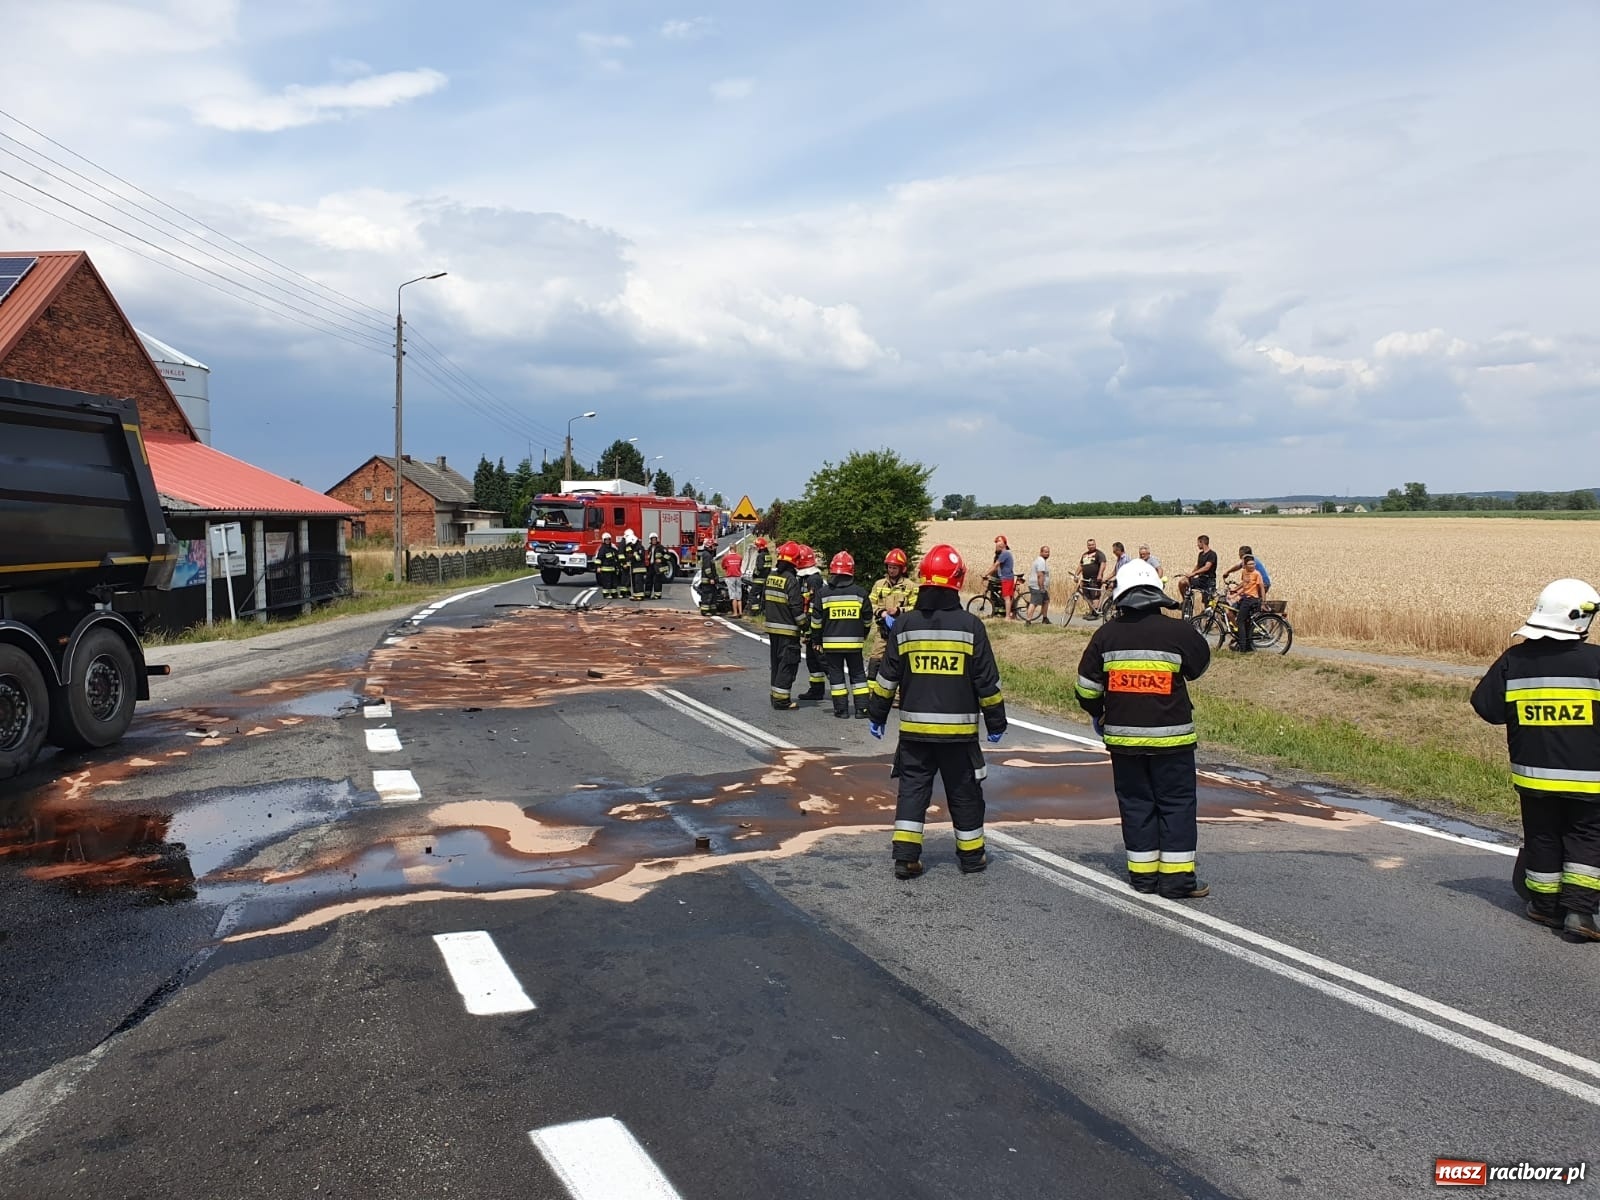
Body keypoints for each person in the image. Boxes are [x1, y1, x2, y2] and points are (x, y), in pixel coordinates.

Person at [865, 544, 1007, 878]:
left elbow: (887, 678)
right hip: (959, 736)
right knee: (965, 794)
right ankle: (972, 859)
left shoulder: (905, 625)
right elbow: (987, 682)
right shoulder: (972, 627)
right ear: (958, 580)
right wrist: (996, 722)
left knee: (913, 792)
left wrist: (876, 715)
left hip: (915, 734)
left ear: (924, 580)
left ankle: (905, 858)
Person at [1472, 579, 1600, 942]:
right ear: (1579, 620)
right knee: (1586, 837)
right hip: (1591, 777)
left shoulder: (1515, 660)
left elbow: (1486, 707)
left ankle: (1544, 907)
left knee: (1542, 834)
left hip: (1533, 776)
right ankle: (1580, 912)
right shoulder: (1597, 661)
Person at [1076, 560, 1213, 898]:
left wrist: (1100, 713)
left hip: (1123, 740)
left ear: (1121, 596)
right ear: (1157, 594)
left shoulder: (1105, 635)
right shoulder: (1179, 632)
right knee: (1176, 803)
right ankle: (1177, 881)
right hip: (1173, 740)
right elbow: (1199, 665)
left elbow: (1085, 688)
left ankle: (1143, 878)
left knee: (1136, 803)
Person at [818, 552, 872, 718]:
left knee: (836, 676)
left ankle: (841, 710)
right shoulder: (860, 593)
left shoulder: (824, 593)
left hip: (831, 645)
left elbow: (816, 621)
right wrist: (862, 634)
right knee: (858, 675)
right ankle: (862, 709)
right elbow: (868, 618)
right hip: (854, 644)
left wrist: (816, 639)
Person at [764, 541, 806, 709]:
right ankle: (782, 700)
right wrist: (806, 626)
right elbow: (796, 608)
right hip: (788, 631)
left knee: (777, 663)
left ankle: (775, 695)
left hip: (773, 628)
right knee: (787, 664)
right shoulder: (791, 580)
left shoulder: (772, 577)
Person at [795, 545, 828, 699]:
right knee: (812, 660)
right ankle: (816, 690)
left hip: (818, 627)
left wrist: (811, 632)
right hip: (811, 626)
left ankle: (838, 689)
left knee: (823, 659)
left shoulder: (814, 579)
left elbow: (814, 607)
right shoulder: (805, 578)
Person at [869, 548, 916, 640]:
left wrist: (899, 611)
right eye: (890, 567)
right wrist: (881, 612)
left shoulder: (910, 586)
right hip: (882, 632)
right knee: (876, 655)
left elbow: (916, 608)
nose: (891, 570)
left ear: (903, 569)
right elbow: (870, 603)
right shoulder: (879, 584)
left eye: (895, 568)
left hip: (903, 631)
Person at [1231, 554, 1266, 652]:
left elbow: (1262, 588)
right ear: (1245, 565)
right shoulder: (1244, 572)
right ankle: (1248, 646)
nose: (1252, 566)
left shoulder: (1257, 574)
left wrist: (1263, 602)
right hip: (1244, 597)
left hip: (1251, 599)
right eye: (1249, 564)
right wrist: (1235, 590)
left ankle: (1242, 647)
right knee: (1244, 620)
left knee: (1240, 621)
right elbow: (1244, 584)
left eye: (1253, 564)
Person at [1177, 535, 1218, 608]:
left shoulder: (1212, 554)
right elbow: (1198, 566)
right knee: (1182, 582)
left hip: (1209, 581)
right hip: (1200, 579)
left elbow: (1207, 567)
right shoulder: (1201, 554)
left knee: (1208, 604)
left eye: (1198, 543)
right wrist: (1190, 574)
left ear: (1202, 542)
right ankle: (1185, 603)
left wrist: (1194, 574)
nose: (1197, 545)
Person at [984, 535, 1018, 619]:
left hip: (1006, 578)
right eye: (996, 542)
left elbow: (995, 565)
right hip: (1006, 577)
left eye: (999, 542)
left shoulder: (1004, 553)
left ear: (1004, 544)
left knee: (1007, 598)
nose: (997, 544)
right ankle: (1008, 614)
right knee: (1007, 597)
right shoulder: (1005, 553)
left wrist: (986, 574)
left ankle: (1007, 617)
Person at [1078, 538, 1108, 618]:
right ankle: (1092, 611)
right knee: (1087, 596)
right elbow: (1081, 565)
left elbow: (1103, 564)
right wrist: (1076, 574)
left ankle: (1095, 614)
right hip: (1085, 579)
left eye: (1092, 545)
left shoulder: (1099, 554)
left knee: (1095, 596)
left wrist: (1099, 574)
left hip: (1095, 579)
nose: (1091, 546)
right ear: (1087, 546)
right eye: (1089, 545)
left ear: (1095, 544)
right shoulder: (1084, 555)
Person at [696, 537, 720, 615]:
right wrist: (711, 578)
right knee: (707, 596)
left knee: (713, 595)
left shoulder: (709, 554)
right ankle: (705, 611)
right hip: (707, 580)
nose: (714, 547)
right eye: (713, 546)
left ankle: (713, 610)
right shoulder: (707, 555)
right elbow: (707, 569)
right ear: (709, 546)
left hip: (710, 580)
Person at [595, 532, 621, 598]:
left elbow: (617, 556)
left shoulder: (612, 548)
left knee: (614, 582)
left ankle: (614, 594)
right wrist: (598, 567)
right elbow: (599, 558)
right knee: (607, 582)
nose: (607, 541)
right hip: (605, 569)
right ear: (603, 540)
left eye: (608, 539)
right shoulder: (602, 549)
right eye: (606, 540)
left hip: (613, 569)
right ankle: (606, 594)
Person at [720, 544, 745, 618]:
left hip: (730, 577)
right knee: (739, 596)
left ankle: (735, 613)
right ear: (735, 549)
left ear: (729, 549)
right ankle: (740, 612)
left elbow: (723, 566)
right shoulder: (739, 557)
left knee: (733, 596)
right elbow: (740, 566)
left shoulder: (726, 557)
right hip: (738, 577)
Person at [622, 529, 646, 601]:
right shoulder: (634, 548)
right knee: (635, 582)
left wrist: (633, 556)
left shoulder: (640, 548)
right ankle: (636, 595)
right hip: (634, 568)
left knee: (638, 582)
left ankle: (640, 595)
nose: (631, 545)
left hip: (639, 568)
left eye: (631, 543)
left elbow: (640, 558)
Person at [1031, 545, 1053, 624]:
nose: (1047, 554)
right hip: (1038, 586)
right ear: (1041, 552)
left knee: (1046, 601)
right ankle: (1028, 621)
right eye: (1045, 552)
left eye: (1048, 552)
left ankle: (1045, 618)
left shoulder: (1042, 561)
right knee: (1034, 603)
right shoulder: (1041, 561)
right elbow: (1040, 575)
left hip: (1041, 586)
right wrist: (1041, 587)